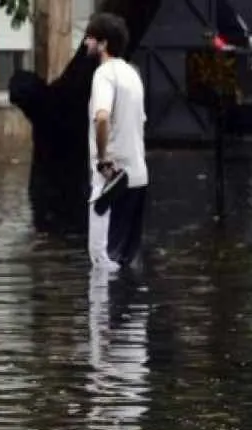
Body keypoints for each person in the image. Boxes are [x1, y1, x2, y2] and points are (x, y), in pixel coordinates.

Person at [84, 12, 149, 271]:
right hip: (138, 179)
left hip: (113, 182)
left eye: (90, 38)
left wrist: (102, 160)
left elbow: (102, 118)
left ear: (103, 44)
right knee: (127, 265)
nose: (85, 43)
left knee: (103, 263)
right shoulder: (133, 74)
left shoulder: (104, 74)